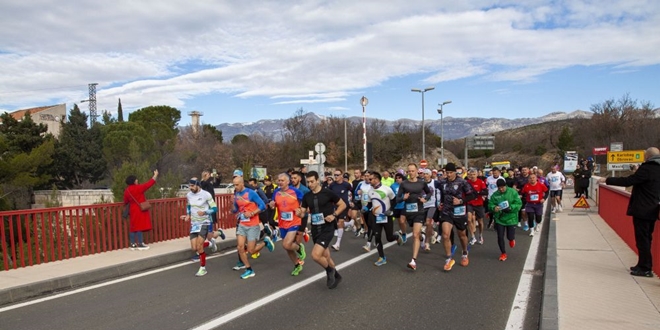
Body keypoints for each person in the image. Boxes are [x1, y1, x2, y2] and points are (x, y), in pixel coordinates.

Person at [599, 147, 660, 277]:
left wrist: (607, 180)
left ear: (647, 157)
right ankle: (642, 264)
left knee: (642, 239)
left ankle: (645, 268)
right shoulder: (656, 169)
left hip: (643, 209)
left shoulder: (647, 168)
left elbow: (629, 181)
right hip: (653, 209)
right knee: (647, 238)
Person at [297, 171, 347, 288]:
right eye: (308, 182)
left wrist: (334, 215)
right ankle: (337, 276)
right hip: (315, 228)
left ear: (317, 180)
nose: (310, 184)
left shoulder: (327, 193)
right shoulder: (307, 196)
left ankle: (329, 271)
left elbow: (343, 205)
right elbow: (303, 212)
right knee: (326, 256)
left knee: (315, 255)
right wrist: (299, 213)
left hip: (327, 227)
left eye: (312, 181)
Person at [230, 176, 273, 279]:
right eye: (234, 185)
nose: (235, 187)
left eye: (237, 185)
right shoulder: (236, 194)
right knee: (240, 247)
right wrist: (232, 203)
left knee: (251, 250)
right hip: (242, 224)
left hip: (253, 225)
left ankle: (265, 242)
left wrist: (253, 213)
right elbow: (235, 210)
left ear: (242, 184)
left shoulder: (251, 193)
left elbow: (263, 205)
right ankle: (249, 269)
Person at [437, 163, 477, 271]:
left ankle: (464, 252)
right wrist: (440, 203)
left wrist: (460, 201)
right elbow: (442, 194)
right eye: (447, 172)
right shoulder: (443, 182)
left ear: (455, 172)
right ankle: (449, 258)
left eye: (450, 172)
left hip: (459, 211)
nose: (448, 175)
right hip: (446, 211)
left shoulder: (462, 182)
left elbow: (473, 195)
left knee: (462, 235)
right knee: (445, 235)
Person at [396, 163, 431, 271]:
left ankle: (413, 260)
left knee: (415, 234)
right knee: (412, 230)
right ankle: (421, 237)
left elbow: (429, 193)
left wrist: (425, 199)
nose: (411, 173)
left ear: (416, 171)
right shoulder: (404, 184)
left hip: (419, 211)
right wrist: (403, 198)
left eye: (412, 171)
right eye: (409, 171)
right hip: (408, 210)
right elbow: (397, 198)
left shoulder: (422, 183)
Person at [181, 178, 219, 277]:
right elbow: (189, 206)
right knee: (194, 248)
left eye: (192, 186)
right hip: (194, 224)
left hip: (204, 222)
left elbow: (215, 208)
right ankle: (210, 243)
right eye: (189, 186)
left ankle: (203, 268)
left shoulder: (206, 194)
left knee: (199, 247)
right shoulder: (189, 195)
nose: (190, 188)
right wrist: (188, 215)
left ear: (197, 185)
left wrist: (205, 212)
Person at [270, 173, 307, 276]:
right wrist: (272, 205)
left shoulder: (295, 192)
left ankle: (299, 248)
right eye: (279, 180)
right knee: (287, 247)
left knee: (286, 244)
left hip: (294, 221)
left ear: (288, 181)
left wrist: (300, 210)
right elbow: (273, 204)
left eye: (282, 180)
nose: (280, 182)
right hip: (282, 223)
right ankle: (297, 264)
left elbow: (305, 202)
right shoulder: (276, 192)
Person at [364, 171, 399, 266]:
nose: (368, 180)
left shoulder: (387, 189)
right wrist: (366, 208)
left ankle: (396, 236)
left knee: (389, 238)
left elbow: (394, 200)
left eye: (370, 179)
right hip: (376, 217)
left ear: (376, 179)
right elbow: (370, 203)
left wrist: (391, 210)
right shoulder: (370, 191)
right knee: (377, 237)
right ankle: (382, 257)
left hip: (386, 217)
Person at [124, 170, 158, 250]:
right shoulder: (139, 188)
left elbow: (125, 201)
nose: (137, 180)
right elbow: (149, 183)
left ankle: (132, 244)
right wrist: (155, 175)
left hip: (132, 210)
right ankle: (140, 243)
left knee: (133, 226)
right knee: (140, 226)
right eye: (136, 179)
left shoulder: (127, 190)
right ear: (134, 181)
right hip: (140, 209)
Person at [488, 179, 522, 261]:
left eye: (502, 187)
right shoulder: (495, 195)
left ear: (505, 186)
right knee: (500, 236)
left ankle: (511, 239)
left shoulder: (512, 192)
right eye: (499, 188)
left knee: (509, 236)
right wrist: (494, 208)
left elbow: (518, 203)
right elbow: (490, 204)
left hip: (511, 218)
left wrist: (511, 208)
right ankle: (503, 253)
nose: (501, 189)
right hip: (500, 218)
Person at [328, 169, 353, 251]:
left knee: (340, 222)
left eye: (337, 175)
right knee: (337, 223)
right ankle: (349, 223)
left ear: (341, 175)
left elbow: (352, 193)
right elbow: (329, 195)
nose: (336, 176)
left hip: (344, 206)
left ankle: (337, 244)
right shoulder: (332, 185)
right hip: (335, 207)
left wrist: (351, 202)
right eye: (334, 175)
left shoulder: (347, 185)